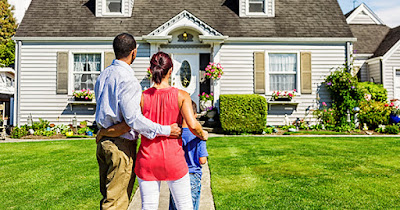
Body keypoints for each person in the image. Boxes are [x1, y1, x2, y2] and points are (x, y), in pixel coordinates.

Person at [97, 52, 208, 210]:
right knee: (185, 206)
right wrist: (204, 134)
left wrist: (105, 131)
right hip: (173, 160)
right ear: (170, 71)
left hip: (148, 160)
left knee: (148, 207)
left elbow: (129, 124)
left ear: (151, 70)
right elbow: (193, 125)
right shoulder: (182, 96)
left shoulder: (141, 97)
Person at [94, 33, 182, 210]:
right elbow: (133, 119)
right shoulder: (128, 80)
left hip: (103, 142)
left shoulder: (103, 75)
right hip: (120, 145)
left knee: (108, 196)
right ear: (134, 52)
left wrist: (104, 132)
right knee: (116, 202)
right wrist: (165, 130)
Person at [169, 101, 208, 210]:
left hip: (175, 175)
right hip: (192, 174)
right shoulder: (199, 135)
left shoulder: (174, 134)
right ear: (194, 115)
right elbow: (202, 160)